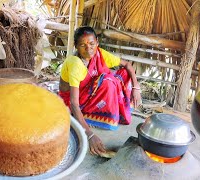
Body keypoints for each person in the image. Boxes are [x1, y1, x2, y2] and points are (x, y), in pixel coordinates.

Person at [59, 26, 142, 156]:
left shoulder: (100, 54)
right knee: (108, 80)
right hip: (75, 101)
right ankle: (95, 115)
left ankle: (114, 109)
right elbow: (74, 103)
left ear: (97, 42)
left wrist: (136, 87)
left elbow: (127, 65)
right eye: (82, 45)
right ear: (76, 46)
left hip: (90, 91)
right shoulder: (76, 64)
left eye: (92, 43)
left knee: (123, 74)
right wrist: (89, 135)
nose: (88, 48)